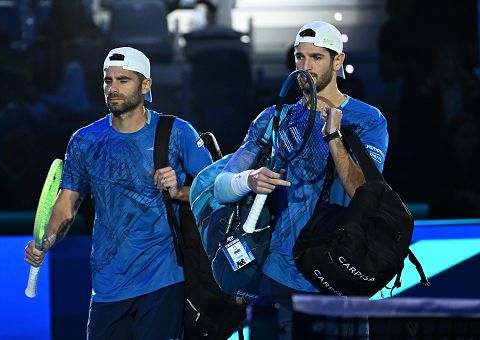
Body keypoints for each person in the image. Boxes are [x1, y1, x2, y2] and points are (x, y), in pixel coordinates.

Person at [213, 21, 388, 338]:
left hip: (340, 274)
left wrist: (334, 136)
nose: (305, 67)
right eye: (299, 57)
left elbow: (363, 193)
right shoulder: (272, 119)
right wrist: (249, 180)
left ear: (337, 61)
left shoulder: (368, 119)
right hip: (281, 274)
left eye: (316, 58)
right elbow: (221, 187)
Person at [24, 47, 213, 339]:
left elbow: (215, 192)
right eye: (107, 80)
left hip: (163, 280)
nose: (112, 88)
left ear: (146, 85)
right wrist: (46, 239)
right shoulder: (84, 140)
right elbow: (65, 207)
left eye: (123, 80)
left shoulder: (177, 132)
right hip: (107, 285)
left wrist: (178, 191)